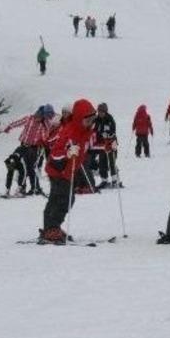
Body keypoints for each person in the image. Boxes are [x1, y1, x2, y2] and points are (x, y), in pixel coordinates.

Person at [39, 99, 97, 243]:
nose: (90, 123)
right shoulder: (69, 131)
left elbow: (90, 146)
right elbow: (54, 154)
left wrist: (109, 145)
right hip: (57, 170)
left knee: (62, 199)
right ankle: (51, 228)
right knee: (62, 199)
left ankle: (52, 227)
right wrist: (67, 153)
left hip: (68, 171)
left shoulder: (85, 131)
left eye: (92, 119)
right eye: (87, 120)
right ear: (78, 119)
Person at [4, 105, 54, 196]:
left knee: (31, 167)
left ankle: (35, 188)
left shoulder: (44, 123)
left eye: (41, 116)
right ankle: (22, 188)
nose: (38, 118)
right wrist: (9, 127)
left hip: (34, 148)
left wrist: (44, 141)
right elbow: (18, 122)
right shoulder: (29, 119)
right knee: (21, 167)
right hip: (23, 145)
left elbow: (48, 133)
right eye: (37, 115)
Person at [92, 102, 120, 189]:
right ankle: (104, 180)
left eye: (102, 112)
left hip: (111, 143)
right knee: (102, 162)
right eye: (99, 111)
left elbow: (112, 131)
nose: (100, 113)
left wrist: (108, 135)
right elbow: (94, 129)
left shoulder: (110, 119)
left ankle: (115, 180)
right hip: (101, 144)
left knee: (111, 161)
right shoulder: (97, 120)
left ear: (105, 111)